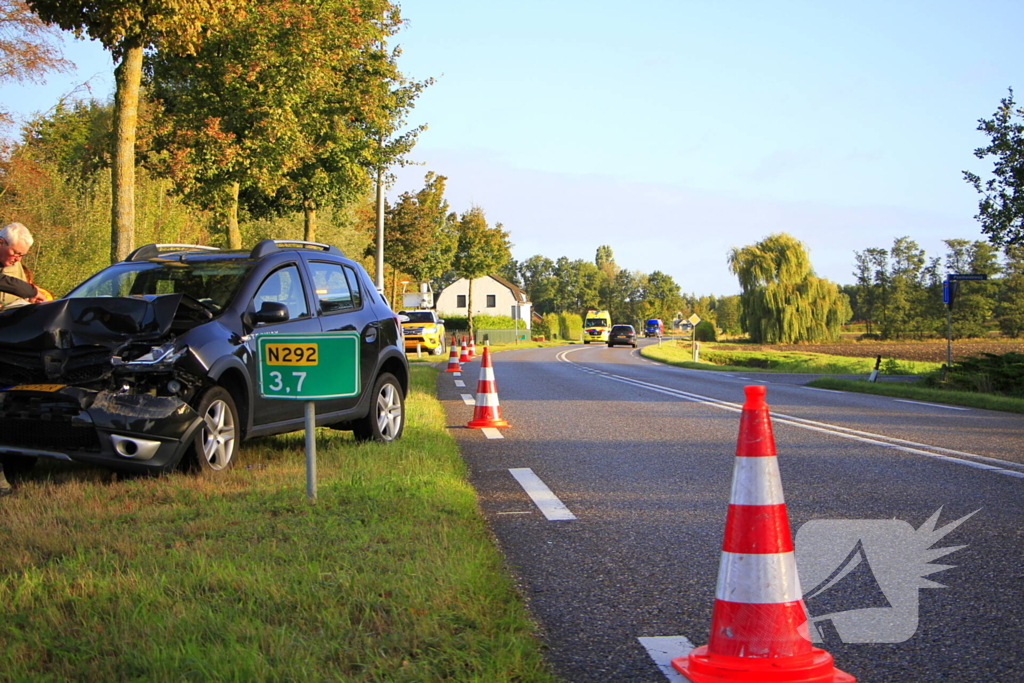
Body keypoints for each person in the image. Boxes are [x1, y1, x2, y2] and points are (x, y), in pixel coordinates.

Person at [0, 222, 48, 308]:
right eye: (16, 253)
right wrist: (31, 292)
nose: (18, 259)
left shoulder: (16, 266)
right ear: (1, 242)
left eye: (22, 255)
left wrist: (30, 299)